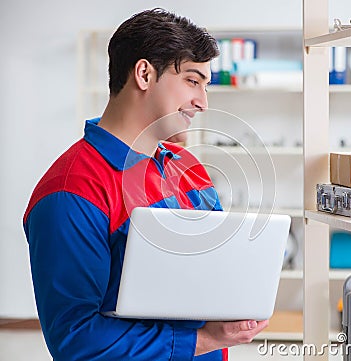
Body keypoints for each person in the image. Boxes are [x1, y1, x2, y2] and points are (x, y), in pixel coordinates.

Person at [23, 8, 269, 361]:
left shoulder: (189, 168)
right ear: (144, 74)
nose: (203, 102)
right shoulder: (71, 191)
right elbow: (75, 340)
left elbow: (217, 276)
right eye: (192, 81)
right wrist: (201, 341)